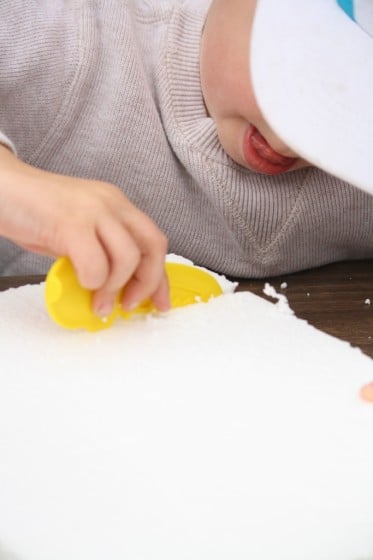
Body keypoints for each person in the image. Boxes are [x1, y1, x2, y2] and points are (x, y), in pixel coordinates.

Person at [0, 0, 373, 320]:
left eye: (349, 110)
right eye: (291, 78)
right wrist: (15, 187)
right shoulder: (63, 32)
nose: (290, 141)